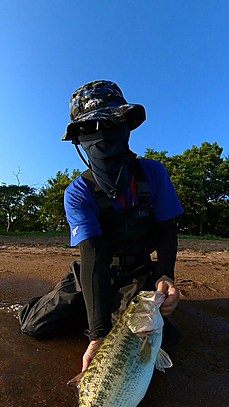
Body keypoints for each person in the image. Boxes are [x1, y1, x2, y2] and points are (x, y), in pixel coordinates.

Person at [19, 80, 183, 372]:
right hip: (95, 270)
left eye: (110, 123)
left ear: (127, 126)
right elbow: (93, 256)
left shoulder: (153, 174)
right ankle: (91, 313)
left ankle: (109, 313)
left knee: (137, 346)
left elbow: (167, 230)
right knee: (36, 325)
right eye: (89, 128)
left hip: (138, 273)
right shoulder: (78, 192)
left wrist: (166, 276)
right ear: (77, 140)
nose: (101, 134)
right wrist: (97, 336)